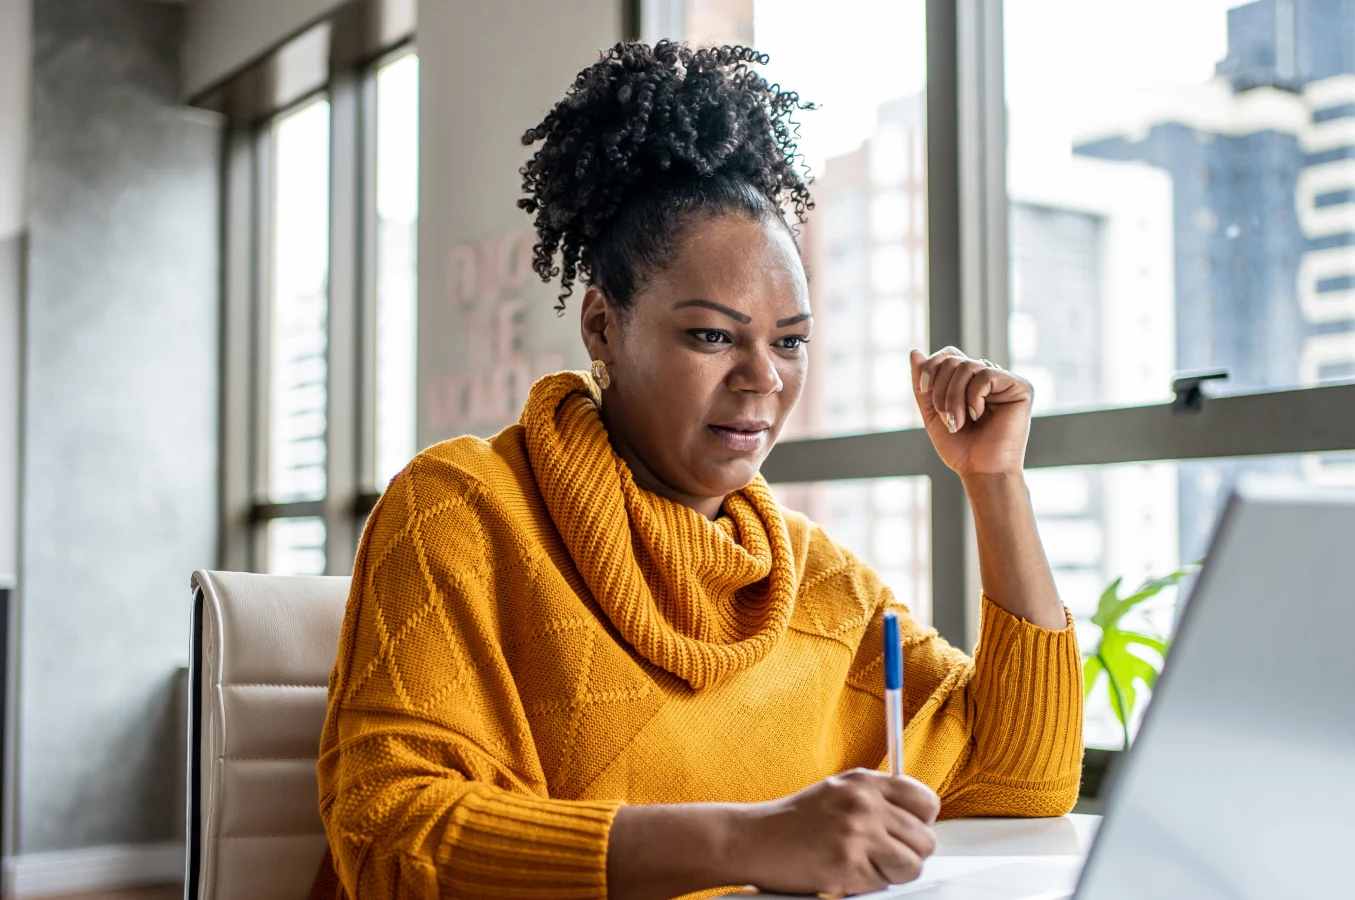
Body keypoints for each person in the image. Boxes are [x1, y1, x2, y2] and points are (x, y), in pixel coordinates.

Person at [314, 41, 1083, 900]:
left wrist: (994, 480)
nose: (763, 379)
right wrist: (747, 839)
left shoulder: (816, 584)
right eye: (713, 336)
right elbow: (390, 837)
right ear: (603, 328)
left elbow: (1026, 778)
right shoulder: (462, 510)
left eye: (789, 341)